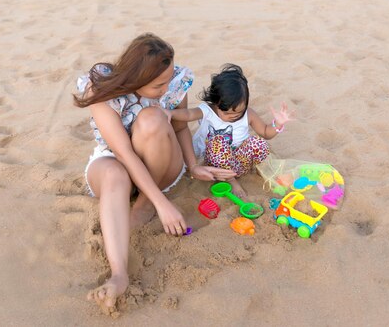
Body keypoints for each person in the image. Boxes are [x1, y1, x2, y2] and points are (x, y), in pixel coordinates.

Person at [73, 33, 236, 314]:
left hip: (161, 161)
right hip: (116, 159)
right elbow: (123, 152)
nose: (166, 88)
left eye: (168, 80)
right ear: (136, 79)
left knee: (152, 117)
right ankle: (119, 274)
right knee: (114, 175)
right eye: (158, 85)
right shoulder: (101, 90)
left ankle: (145, 203)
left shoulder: (173, 81)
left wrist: (193, 166)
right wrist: (165, 205)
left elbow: (181, 127)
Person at [164, 64, 295, 198]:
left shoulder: (248, 114)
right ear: (216, 104)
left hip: (238, 163)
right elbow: (188, 114)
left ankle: (254, 171)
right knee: (218, 141)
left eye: (239, 112)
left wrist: (277, 124)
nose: (234, 116)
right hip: (211, 166)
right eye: (227, 113)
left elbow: (266, 133)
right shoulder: (207, 111)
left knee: (258, 143)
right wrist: (171, 113)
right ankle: (231, 181)